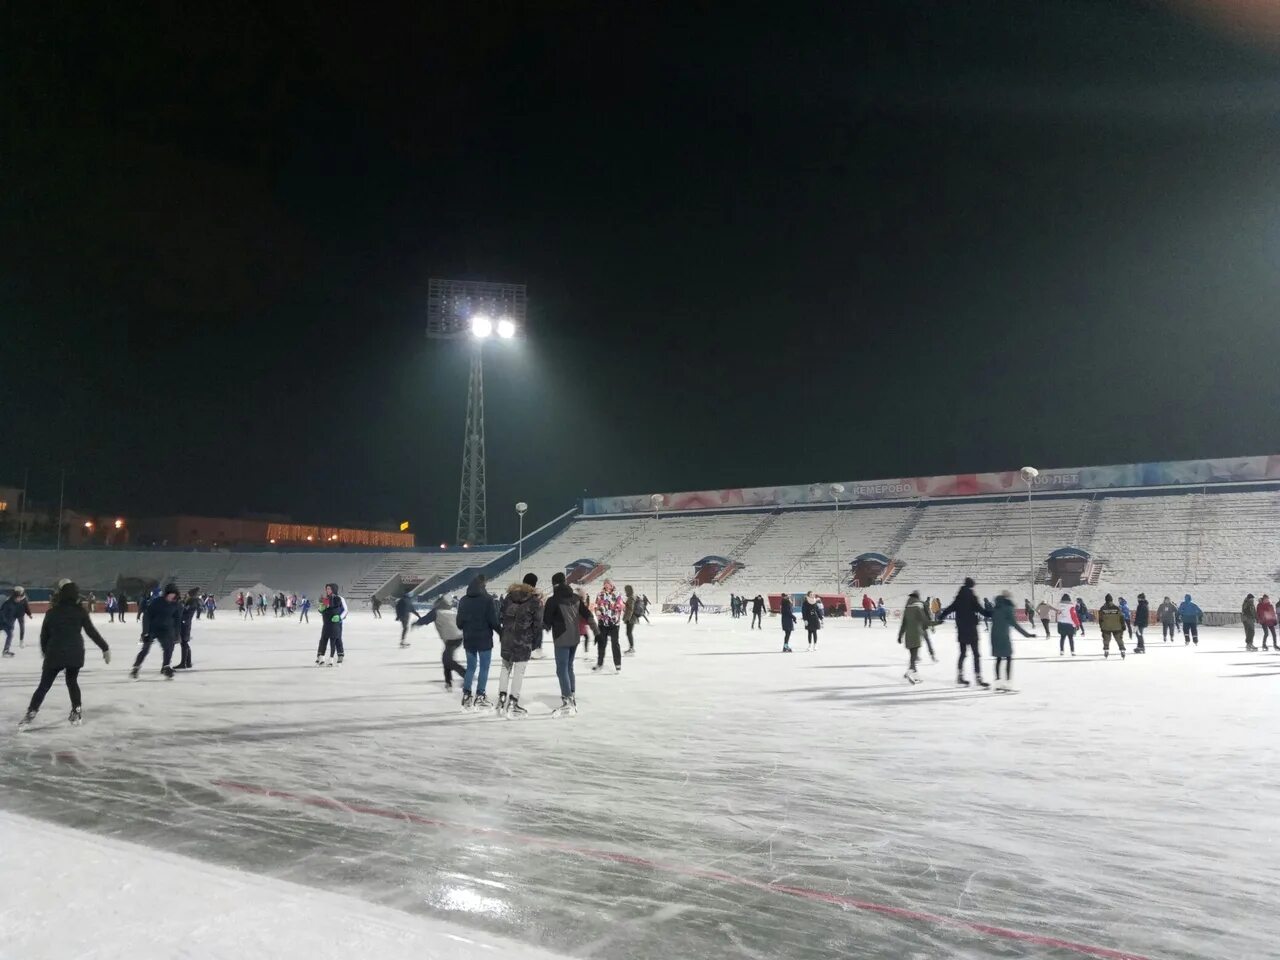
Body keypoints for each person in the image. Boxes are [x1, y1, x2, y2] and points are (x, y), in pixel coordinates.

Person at [18, 582, 111, 729]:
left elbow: (44, 635)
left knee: (44, 685)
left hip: (55, 653)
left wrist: (45, 650)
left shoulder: (52, 612)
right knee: (72, 682)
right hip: (75, 653)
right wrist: (104, 648)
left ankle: (31, 712)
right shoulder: (80, 611)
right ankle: (77, 710)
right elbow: (91, 632)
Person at [544, 572, 598, 716]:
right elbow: (588, 614)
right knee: (569, 667)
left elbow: (546, 623)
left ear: (554, 584)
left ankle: (567, 700)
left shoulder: (552, 600)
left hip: (561, 639)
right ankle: (571, 696)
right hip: (574, 638)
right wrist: (596, 631)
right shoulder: (575, 598)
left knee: (561, 669)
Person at [496, 574, 542, 716]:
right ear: (534, 585)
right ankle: (513, 702)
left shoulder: (509, 597)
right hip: (523, 640)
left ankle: (502, 698)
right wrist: (534, 643)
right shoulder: (534, 601)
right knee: (519, 672)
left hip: (507, 639)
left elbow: (501, 616)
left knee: (505, 668)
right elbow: (538, 624)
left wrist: (503, 634)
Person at [455, 575, 499, 709]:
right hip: (484, 639)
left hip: (469, 639)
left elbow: (459, 623)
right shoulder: (487, 600)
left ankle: (467, 695)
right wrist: (501, 632)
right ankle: (480, 696)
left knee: (471, 667)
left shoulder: (463, 600)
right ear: (483, 586)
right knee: (484, 668)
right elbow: (493, 621)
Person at [939, 577, 989, 687]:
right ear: (972, 586)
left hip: (962, 630)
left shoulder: (959, 597)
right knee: (976, 654)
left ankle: (960, 676)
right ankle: (978, 677)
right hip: (971, 629)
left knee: (963, 654)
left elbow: (950, 608)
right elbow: (981, 610)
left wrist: (941, 616)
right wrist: (991, 613)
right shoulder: (972, 597)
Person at [411, 595, 467, 688]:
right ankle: (448, 681)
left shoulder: (437, 612)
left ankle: (465, 675)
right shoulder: (452, 611)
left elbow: (426, 619)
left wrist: (416, 623)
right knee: (446, 658)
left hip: (451, 638)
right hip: (459, 637)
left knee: (447, 660)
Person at [133, 583, 181, 679]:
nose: (172, 596)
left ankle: (166, 667)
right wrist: (145, 632)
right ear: (166, 593)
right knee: (145, 649)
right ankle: (136, 667)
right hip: (153, 629)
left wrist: (177, 634)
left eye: (173, 594)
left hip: (165, 630)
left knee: (168, 648)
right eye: (170, 594)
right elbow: (146, 616)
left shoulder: (176, 605)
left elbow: (177, 620)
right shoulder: (157, 602)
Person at [990, 590, 1035, 691]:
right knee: (1008, 658)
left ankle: (997, 683)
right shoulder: (1008, 608)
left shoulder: (996, 607)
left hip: (994, 636)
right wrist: (1027, 634)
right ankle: (1008, 683)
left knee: (998, 659)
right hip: (1003, 636)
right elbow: (1015, 624)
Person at [592, 579, 625, 673]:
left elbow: (619, 606)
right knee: (601, 644)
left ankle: (618, 664)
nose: (607, 586)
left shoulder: (617, 594)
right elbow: (596, 606)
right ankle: (599, 663)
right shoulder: (600, 594)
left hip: (614, 624)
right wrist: (598, 612)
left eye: (608, 584)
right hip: (603, 623)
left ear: (612, 585)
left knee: (615, 644)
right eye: (605, 584)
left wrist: (613, 617)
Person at [898, 590, 929, 683]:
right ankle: (909, 671)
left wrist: (900, 636)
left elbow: (904, 624)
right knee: (914, 656)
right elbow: (924, 619)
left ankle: (915, 676)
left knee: (912, 656)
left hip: (908, 636)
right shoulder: (918, 605)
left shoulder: (907, 606)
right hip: (916, 634)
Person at [315, 583, 348, 665]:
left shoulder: (340, 599)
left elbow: (346, 610)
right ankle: (320, 655)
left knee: (337, 639)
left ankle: (340, 655)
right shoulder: (326, 599)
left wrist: (339, 617)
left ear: (334, 589)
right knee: (323, 638)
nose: (327, 590)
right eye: (326, 589)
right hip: (327, 623)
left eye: (329, 588)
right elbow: (323, 609)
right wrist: (321, 609)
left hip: (337, 623)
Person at [1, 586, 31, 657]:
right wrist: (5, 621)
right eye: (17, 598)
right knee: (10, 634)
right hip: (3, 621)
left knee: (10, 634)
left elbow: (26, 606)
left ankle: (6, 651)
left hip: (9, 622)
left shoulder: (22, 600)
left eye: (20, 598)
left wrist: (28, 613)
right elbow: (2, 613)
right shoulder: (8, 603)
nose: (19, 599)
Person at [176, 587, 200, 669]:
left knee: (184, 643)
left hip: (185, 624)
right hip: (185, 623)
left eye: (188, 594)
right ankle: (188, 662)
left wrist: (182, 605)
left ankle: (183, 663)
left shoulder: (192, 602)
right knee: (184, 643)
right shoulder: (190, 601)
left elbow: (185, 612)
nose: (186, 595)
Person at [1097, 594, 1127, 659]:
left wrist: (1101, 627)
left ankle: (1106, 650)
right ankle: (1122, 650)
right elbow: (1121, 617)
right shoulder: (1117, 608)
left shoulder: (1102, 608)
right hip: (1117, 627)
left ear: (1105, 600)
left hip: (1106, 627)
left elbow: (1100, 619)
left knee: (1106, 639)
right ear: (1112, 600)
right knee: (1119, 639)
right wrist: (1123, 625)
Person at [623, 584, 639, 655]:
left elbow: (630, 609)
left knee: (629, 633)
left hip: (631, 619)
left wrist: (627, 619)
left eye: (626, 590)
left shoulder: (631, 598)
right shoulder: (632, 597)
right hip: (631, 618)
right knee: (629, 633)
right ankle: (631, 648)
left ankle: (631, 648)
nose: (625, 591)